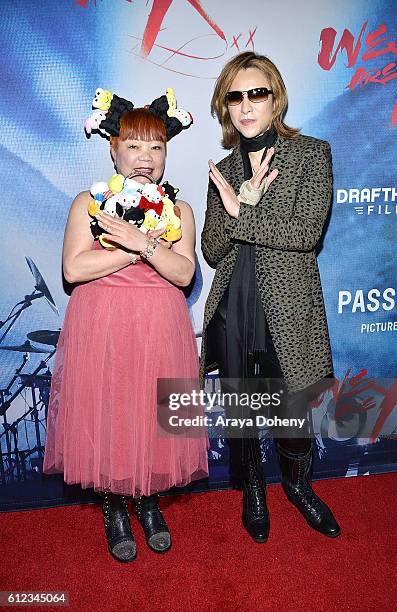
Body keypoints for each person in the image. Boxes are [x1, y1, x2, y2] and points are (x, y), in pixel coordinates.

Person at [44, 91, 208, 563]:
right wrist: (137, 247)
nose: (144, 158)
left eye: (155, 147)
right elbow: (74, 269)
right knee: (111, 411)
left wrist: (140, 241)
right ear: (113, 150)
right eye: (133, 146)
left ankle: (148, 500)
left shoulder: (181, 210)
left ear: (165, 155)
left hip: (159, 328)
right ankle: (114, 505)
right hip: (103, 326)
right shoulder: (88, 203)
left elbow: (183, 274)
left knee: (152, 416)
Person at [201, 51, 340, 543]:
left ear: (275, 97)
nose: (246, 105)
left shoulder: (310, 154)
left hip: (287, 305)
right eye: (234, 97)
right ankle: (253, 489)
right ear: (226, 107)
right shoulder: (223, 167)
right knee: (241, 406)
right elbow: (214, 249)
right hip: (235, 301)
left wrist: (245, 210)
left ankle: (299, 489)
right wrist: (233, 201)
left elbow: (306, 232)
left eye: (256, 93)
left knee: (291, 410)